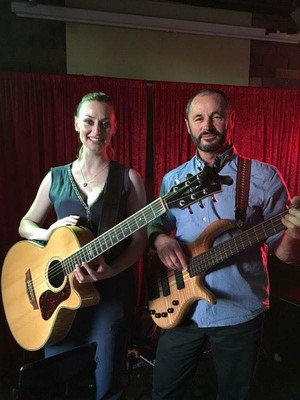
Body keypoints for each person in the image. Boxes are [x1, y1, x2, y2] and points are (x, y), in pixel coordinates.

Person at [147, 88, 300, 400]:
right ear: (187, 125)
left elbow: (284, 255)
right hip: (181, 309)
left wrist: (295, 234)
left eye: (216, 116)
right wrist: (161, 240)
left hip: (239, 312)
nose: (208, 125)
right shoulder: (172, 180)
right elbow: (156, 225)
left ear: (231, 120)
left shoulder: (263, 177)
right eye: (199, 118)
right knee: (164, 391)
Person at [19, 91, 147, 399]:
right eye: (89, 122)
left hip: (110, 296)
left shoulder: (129, 179)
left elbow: (140, 241)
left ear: (114, 128)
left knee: (106, 385)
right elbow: (25, 225)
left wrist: (111, 269)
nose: (97, 131)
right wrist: (47, 233)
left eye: (105, 123)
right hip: (58, 298)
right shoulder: (56, 177)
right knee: (61, 383)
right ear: (77, 124)